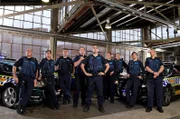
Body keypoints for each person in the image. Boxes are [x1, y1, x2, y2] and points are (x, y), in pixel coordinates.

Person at [81, 45, 110, 113]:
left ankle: (100, 106)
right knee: (89, 92)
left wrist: (104, 72)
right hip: (90, 77)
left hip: (98, 77)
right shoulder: (89, 57)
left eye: (96, 48)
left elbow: (108, 65)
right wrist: (85, 73)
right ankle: (87, 106)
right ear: (92, 49)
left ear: (98, 50)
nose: (95, 49)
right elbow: (82, 65)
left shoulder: (101, 57)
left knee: (100, 92)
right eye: (93, 48)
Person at [13, 49, 39, 114]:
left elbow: (37, 70)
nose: (28, 52)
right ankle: (21, 109)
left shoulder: (34, 60)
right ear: (25, 53)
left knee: (29, 93)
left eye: (29, 51)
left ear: (31, 53)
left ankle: (19, 104)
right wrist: (14, 76)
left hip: (31, 78)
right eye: (27, 51)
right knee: (22, 93)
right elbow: (14, 66)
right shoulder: (22, 59)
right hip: (23, 77)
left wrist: (35, 79)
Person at [145, 49, 164, 113]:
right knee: (150, 93)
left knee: (159, 93)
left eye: (152, 51)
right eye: (150, 52)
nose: (151, 52)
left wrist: (158, 73)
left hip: (158, 78)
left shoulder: (158, 59)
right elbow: (147, 67)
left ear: (155, 52)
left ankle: (159, 107)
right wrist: (154, 73)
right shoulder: (148, 59)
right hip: (150, 78)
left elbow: (162, 67)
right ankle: (149, 107)